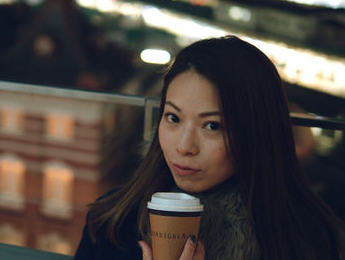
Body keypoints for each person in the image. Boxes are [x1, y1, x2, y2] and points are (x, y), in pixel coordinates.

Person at [74, 36, 343, 260]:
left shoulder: (307, 239)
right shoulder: (114, 220)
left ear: (256, 133)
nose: (184, 146)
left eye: (213, 126)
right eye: (173, 118)